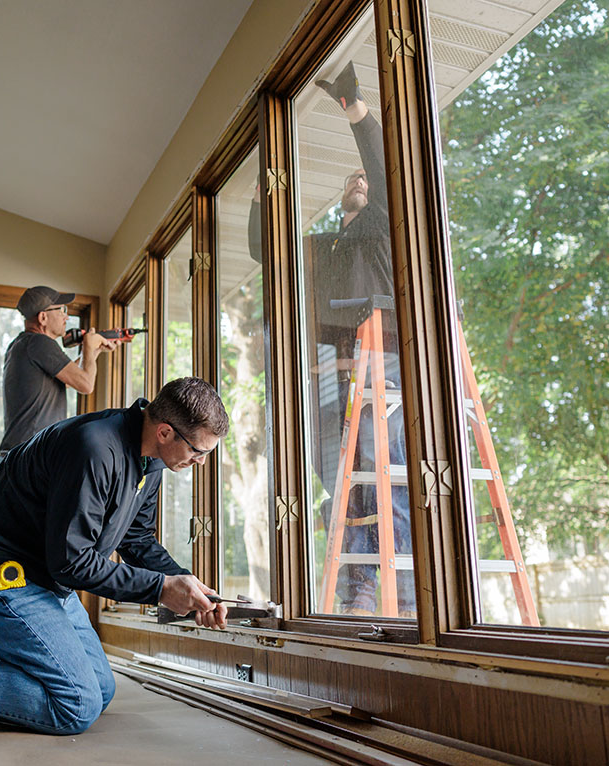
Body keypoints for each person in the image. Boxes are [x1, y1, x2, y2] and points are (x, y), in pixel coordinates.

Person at [0, 377, 230, 734]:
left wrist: (189, 585)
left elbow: (135, 537)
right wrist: (161, 589)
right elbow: (72, 561)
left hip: (46, 580)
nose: (200, 462)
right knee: (76, 706)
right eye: (199, 451)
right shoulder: (95, 448)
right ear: (165, 431)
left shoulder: (153, 461)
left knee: (100, 690)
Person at [249, 62, 413, 617]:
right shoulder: (322, 250)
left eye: (365, 182)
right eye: (353, 181)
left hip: (379, 374)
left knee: (375, 480)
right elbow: (263, 250)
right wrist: (259, 194)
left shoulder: (383, 236)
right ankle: (356, 584)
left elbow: (386, 173)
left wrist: (354, 107)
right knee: (337, 487)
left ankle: (385, 594)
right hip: (325, 382)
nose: (360, 182)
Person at [0, 285, 121, 454]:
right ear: (43, 317)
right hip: (32, 455)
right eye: (61, 310)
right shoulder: (40, 343)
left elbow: (69, 379)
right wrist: (87, 346)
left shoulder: (21, 345)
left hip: (24, 454)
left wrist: (95, 350)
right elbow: (85, 384)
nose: (67, 316)